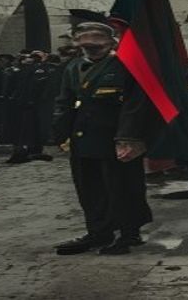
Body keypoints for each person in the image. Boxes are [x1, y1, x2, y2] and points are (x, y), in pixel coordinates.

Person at [52, 22, 156, 256]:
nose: (90, 47)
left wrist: (129, 137)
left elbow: (135, 104)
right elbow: (64, 102)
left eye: (97, 41)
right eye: (84, 41)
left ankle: (129, 234)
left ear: (111, 42)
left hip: (116, 139)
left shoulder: (125, 66)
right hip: (83, 138)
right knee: (89, 189)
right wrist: (61, 134)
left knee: (122, 188)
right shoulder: (73, 67)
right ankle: (98, 232)